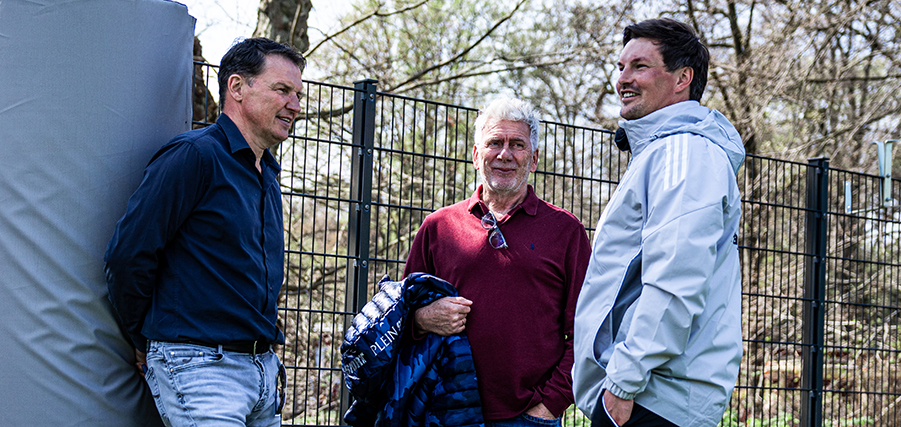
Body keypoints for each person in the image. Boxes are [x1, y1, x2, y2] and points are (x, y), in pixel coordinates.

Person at [104, 37, 305, 427]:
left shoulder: (268, 175)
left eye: (298, 94)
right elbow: (128, 256)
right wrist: (144, 340)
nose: (295, 105)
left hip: (263, 370)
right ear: (237, 88)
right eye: (282, 90)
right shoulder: (194, 156)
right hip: (199, 367)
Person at [572, 18, 746, 427]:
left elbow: (675, 277)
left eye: (640, 66)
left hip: (650, 398)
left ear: (683, 78)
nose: (623, 79)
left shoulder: (684, 151)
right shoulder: (663, 151)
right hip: (644, 394)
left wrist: (623, 382)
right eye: (621, 67)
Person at [404, 97, 592, 426]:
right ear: (477, 156)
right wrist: (422, 318)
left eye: (517, 144)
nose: (504, 154)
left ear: (533, 160)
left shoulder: (566, 231)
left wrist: (551, 403)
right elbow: (400, 319)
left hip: (529, 417)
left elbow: (589, 329)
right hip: (443, 412)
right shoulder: (438, 228)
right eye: (494, 143)